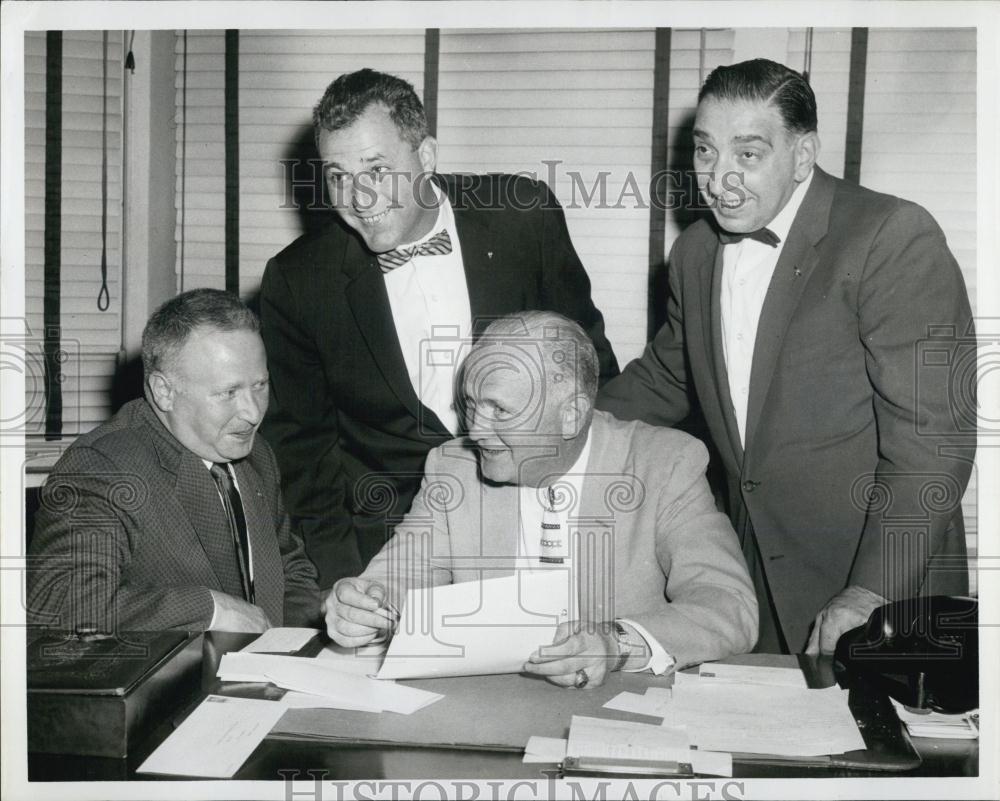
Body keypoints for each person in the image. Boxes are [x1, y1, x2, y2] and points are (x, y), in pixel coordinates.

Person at [596, 59, 975, 654]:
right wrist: (555, 424)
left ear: (803, 155)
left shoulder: (892, 235)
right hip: (755, 577)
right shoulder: (695, 252)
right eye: (704, 153)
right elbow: (670, 378)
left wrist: (871, 592)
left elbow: (934, 441)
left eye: (747, 155)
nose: (719, 179)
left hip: (879, 586)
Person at [259, 69, 619, 591]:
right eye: (338, 176)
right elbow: (301, 456)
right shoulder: (298, 280)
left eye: (376, 169)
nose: (359, 198)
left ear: (426, 156)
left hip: (541, 520)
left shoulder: (523, 218)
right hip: (388, 545)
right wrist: (347, 580)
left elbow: (590, 373)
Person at [325, 311, 757, 688]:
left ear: (570, 414)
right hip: (488, 714)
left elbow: (728, 605)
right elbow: (401, 575)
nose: (475, 430)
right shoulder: (451, 467)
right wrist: (366, 606)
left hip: (623, 715)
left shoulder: (664, 464)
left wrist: (614, 643)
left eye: (500, 410)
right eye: (471, 405)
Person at [27, 289, 321, 633]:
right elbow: (56, 601)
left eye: (260, 385)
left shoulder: (256, 454)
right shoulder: (103, 466)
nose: (253, 412)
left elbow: (290, 569)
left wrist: (303, 639)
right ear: (164, 391)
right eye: (228, 393)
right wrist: (209, 609)